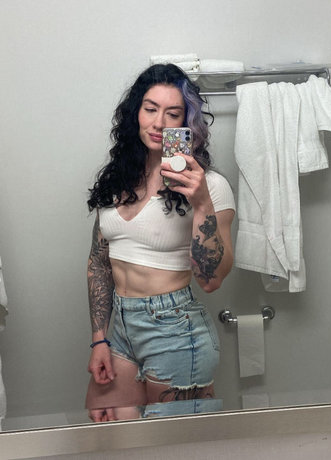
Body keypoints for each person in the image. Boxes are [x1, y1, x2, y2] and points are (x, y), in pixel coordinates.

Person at [85, 64, 235, 422]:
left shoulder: (211, 186)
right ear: (135, 112)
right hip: (121, 330)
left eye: (173, 113)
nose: (159, 123)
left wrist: (201, 203)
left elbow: (211, 280)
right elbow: (99, 263)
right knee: (107, 433)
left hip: (175, 329)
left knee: (175, 445)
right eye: (150, 109)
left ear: (187, 123)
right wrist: (99, 338)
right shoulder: (116, 180)